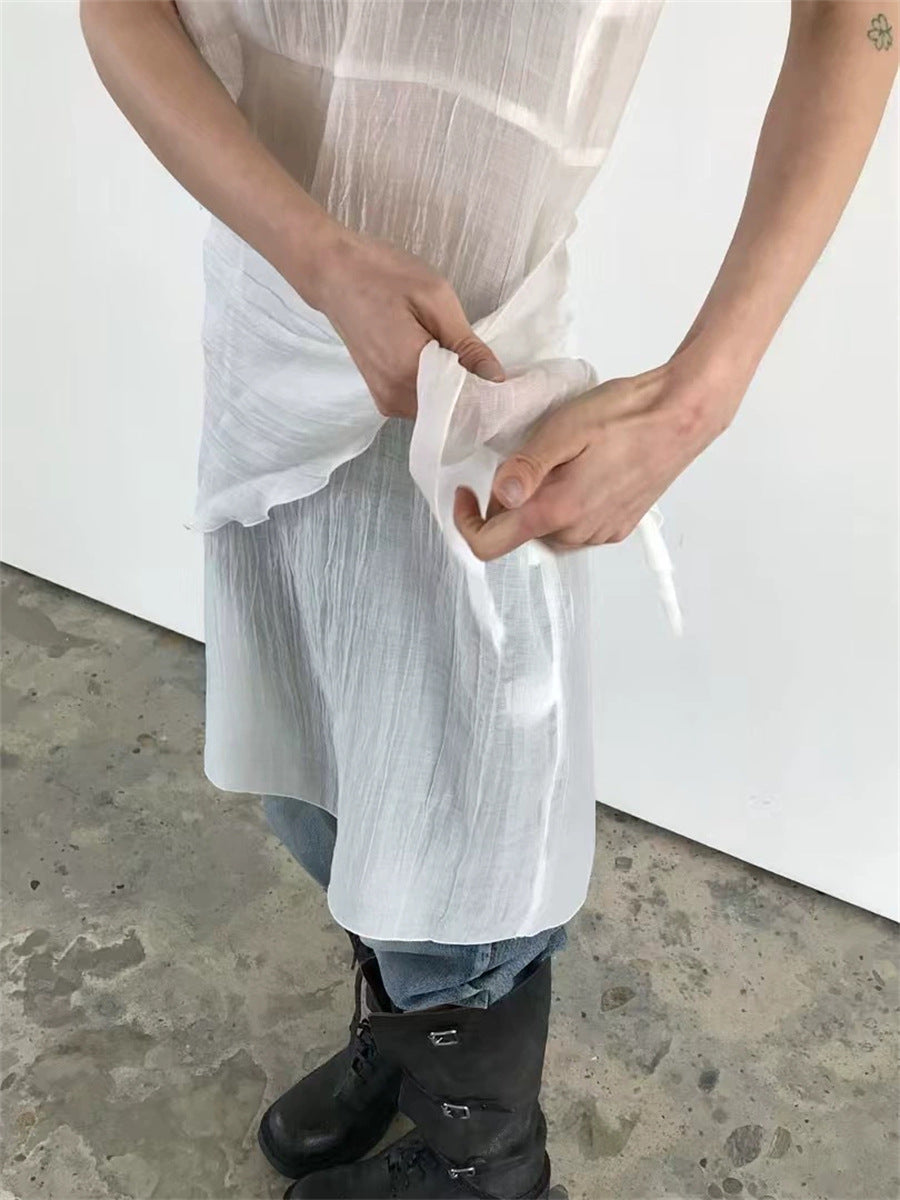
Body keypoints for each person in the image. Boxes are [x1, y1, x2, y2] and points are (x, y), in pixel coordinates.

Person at [80, 3, 897, 1197]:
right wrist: (316, 256)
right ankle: (411, 1037)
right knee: (320, 782)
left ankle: (488, 1162)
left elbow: (857, 15)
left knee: (466, 840)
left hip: (480, 394)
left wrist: (697, 399)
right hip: (274, 319)